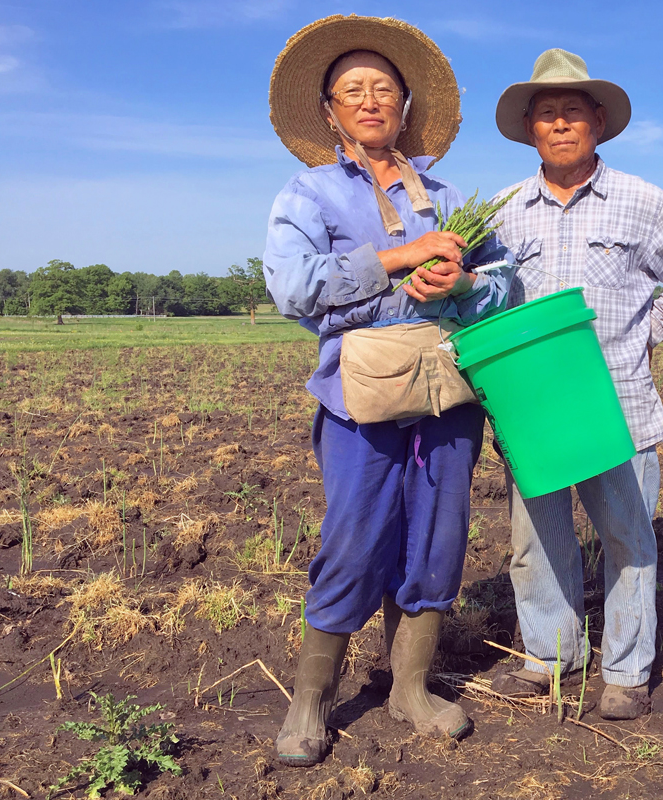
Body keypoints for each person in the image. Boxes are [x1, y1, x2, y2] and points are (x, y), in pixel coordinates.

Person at [262, 15, 509, 765]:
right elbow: (295, 290)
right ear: (331, 113)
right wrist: (402, 258)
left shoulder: (450, 194)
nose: (370, 102)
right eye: (351, 92)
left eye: (384, 91)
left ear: (406, 106)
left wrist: (462, 279)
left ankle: (409, 688)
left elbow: (501, 287)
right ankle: (311, 697)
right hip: (359, 397)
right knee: (354, 537)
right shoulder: (306, 195)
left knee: (438, 534)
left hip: (446, 392)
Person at [488, 49, 663, 719]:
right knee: (536, 541)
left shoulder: (642, 201)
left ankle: (625, 672)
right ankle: (550, 657)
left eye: (572, 112)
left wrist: (651, 329)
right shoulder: (503, 211)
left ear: (597, 122)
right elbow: (483, 301)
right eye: (546, 114)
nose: (560, 124)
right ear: (530, 128)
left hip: (618, 402)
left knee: (627, 539)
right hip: (533, 408)